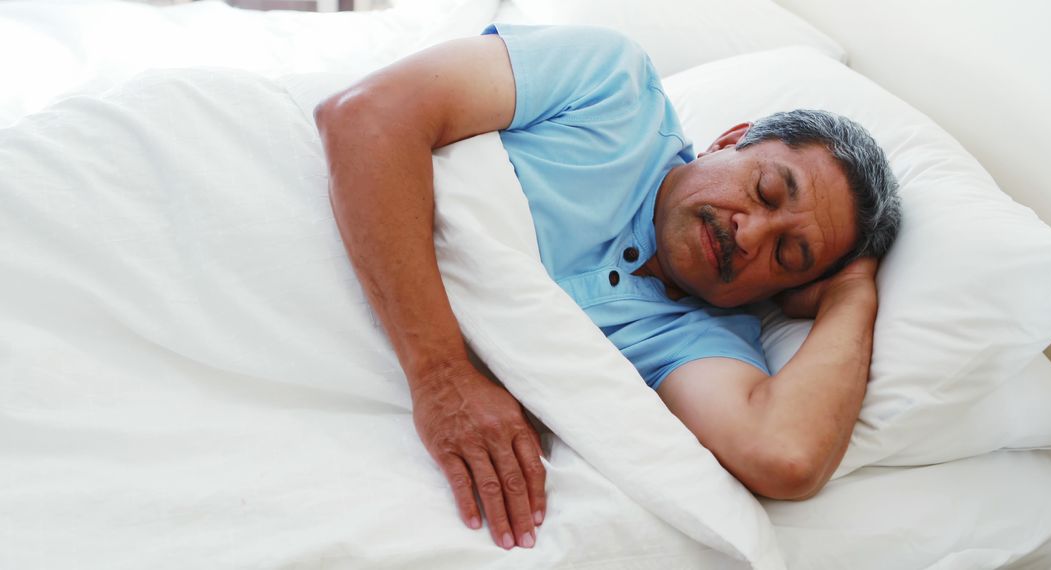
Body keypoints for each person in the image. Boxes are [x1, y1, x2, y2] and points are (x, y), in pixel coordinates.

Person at [313, 24, 900, 552]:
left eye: (787, 255)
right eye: (767, 191)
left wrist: (852, 291)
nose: (751, 233)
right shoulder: (612, 86)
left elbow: (786, 456)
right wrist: (442, 373)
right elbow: (366, 116)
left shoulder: (697, 338)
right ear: (730, 140)